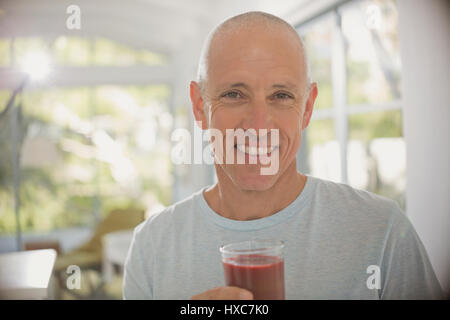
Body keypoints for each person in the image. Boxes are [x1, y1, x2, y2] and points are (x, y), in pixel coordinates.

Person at [123, 11, 443, 300]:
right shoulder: (152, 246)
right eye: (234, 94)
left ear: (307, 108)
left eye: (281, 96)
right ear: (198, 106)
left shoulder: (382, 231)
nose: (259, 125)